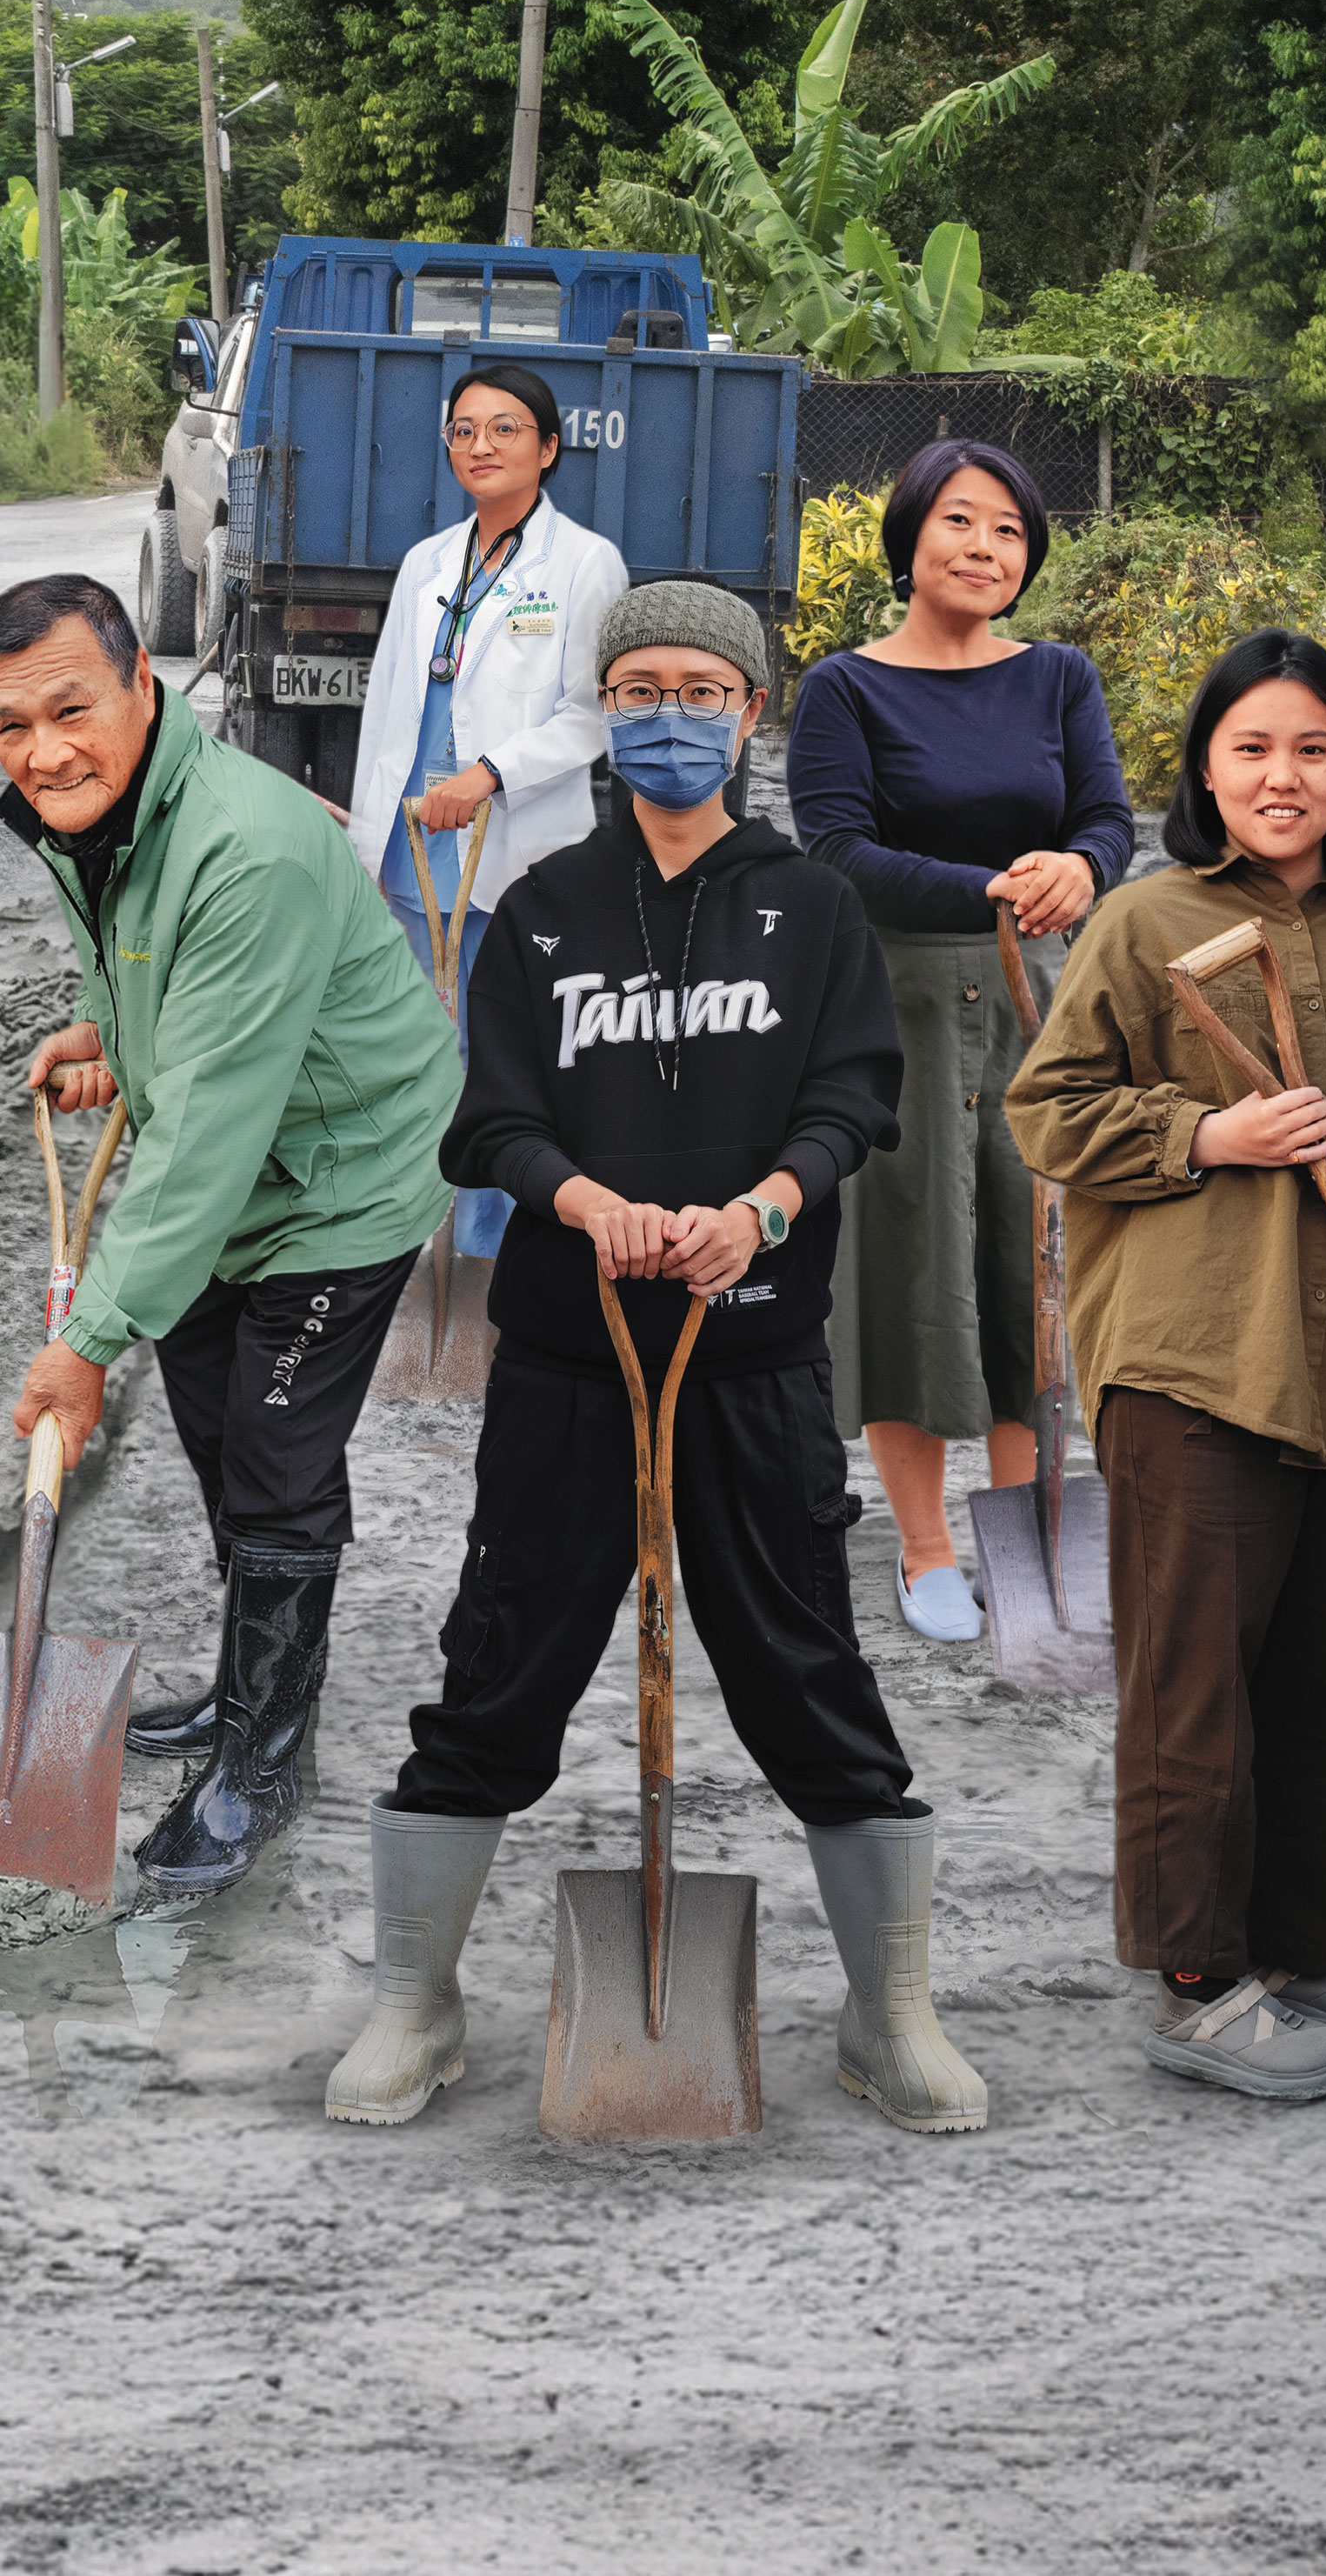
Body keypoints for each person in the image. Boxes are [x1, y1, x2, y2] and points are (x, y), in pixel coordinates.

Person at [323, 582, 987, 2133]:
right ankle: (414, 2001)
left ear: (751, 711)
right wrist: (583, 1201)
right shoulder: (547, 906)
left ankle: (892, 2016)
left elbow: (855, 1099)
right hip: (569, 1358)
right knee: (499, 1669)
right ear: (603, 716)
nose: (668, 714)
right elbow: (487, 1114)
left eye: (701, 686)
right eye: (636, 690)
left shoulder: (814, 904)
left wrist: (759, 1209)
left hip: (755, 1362)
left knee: (806, 1668)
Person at [1005, 630, 1326, 2104]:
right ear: (1205, 770)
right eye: (1250, 749)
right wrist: (1205, 1133)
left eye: (1309, 747)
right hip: (1193, 1354)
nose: (1280, 775)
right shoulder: (1146, 918)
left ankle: (1290, 1946)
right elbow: (1049, 1111)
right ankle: (1192, 1976)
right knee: (1196, 1680)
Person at [0, 572, 456, 1899]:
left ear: (143, 688)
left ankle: (265, 1757)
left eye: (70, 709)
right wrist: (106, 1033)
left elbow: (200, 1145)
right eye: (11, 727)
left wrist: (82, 1344)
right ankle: (253, 1683)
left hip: (337, 1178)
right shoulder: (98, 810)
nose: (43, 752)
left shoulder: (243, 846)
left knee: (277, 1447)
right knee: (215, 1428)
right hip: (236, 1172)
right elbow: (130, 948)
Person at [786, 438, 1136, 1645]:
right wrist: (991, 883)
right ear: (909, 539)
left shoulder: (1058, 679)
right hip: (902, 1001)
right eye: (958, 522)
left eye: (1007, 531)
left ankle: (1024, 1525)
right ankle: (924, 1548)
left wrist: (1080, 865)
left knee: (1032, 1265)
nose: (984, 547)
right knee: (911, 1261)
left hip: (1045, 1003)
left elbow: (1104, 815)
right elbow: (833, 848)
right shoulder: (844, 687)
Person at [310, 365, 630, 1353]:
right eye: (462, 430)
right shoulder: (425, 562)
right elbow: (390, 712)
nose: (479, 445)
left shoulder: (585, 564)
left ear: (545, 449)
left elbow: (592, 715)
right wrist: (367, 834)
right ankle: (413, 1251)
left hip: (511, 843)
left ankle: (492, 1260)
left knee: (502, 1058)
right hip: (414, 845)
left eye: (503, 429)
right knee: (414, 1056)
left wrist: (488, 775)